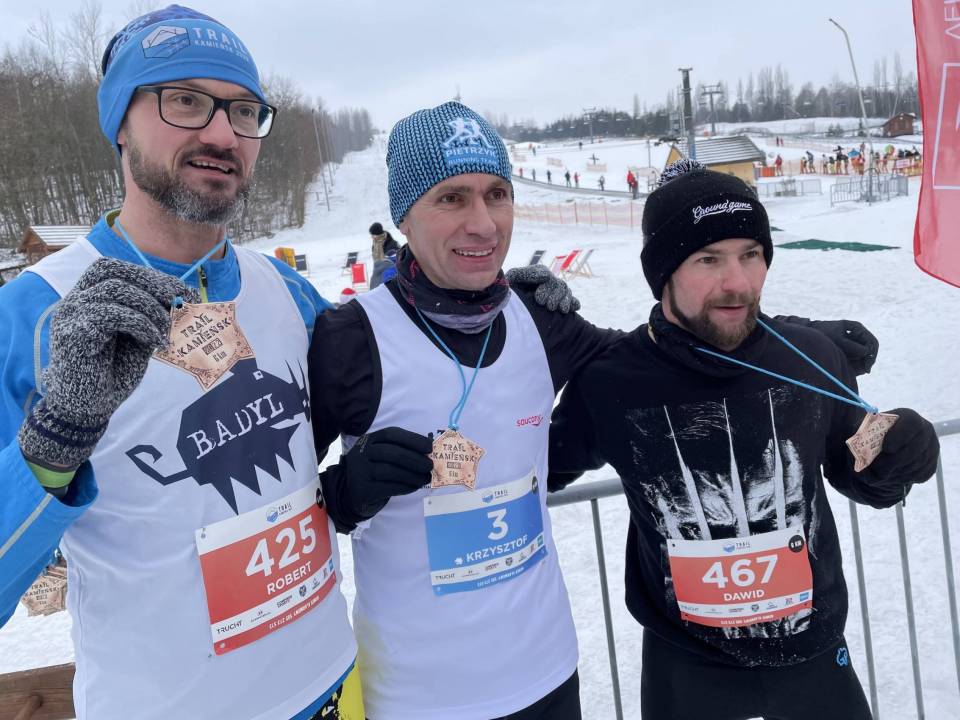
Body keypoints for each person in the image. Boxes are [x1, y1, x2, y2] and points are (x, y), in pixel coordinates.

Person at [306, 103, 878, 720]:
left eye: (497, 194)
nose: (482, 223)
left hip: (546, 674)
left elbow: (664, 352)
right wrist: (347, 490)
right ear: (404, 214)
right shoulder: (349, 337)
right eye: (451, 198)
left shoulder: (540, 320)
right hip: (417, 692)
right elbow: (278, 506)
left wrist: (794, 338)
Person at [0, 6, 362, 719]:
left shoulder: (288, 292)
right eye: (186, 101)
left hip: (332, 687)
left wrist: (496, 300)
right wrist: (57, 437)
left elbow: (401, 372)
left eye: (244, 111)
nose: (223, 135)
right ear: (120, 122)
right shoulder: (31, 315)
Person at [548, 159, 940, 720]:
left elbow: (863, 477)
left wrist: (903, 457)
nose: (737, 283)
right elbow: (531, 471)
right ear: (663, 272)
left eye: (751, 254)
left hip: (811, 650)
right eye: (708, 259)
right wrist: (515, 351)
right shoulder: (611, 381)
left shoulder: (810, 357)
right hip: (686, 663)